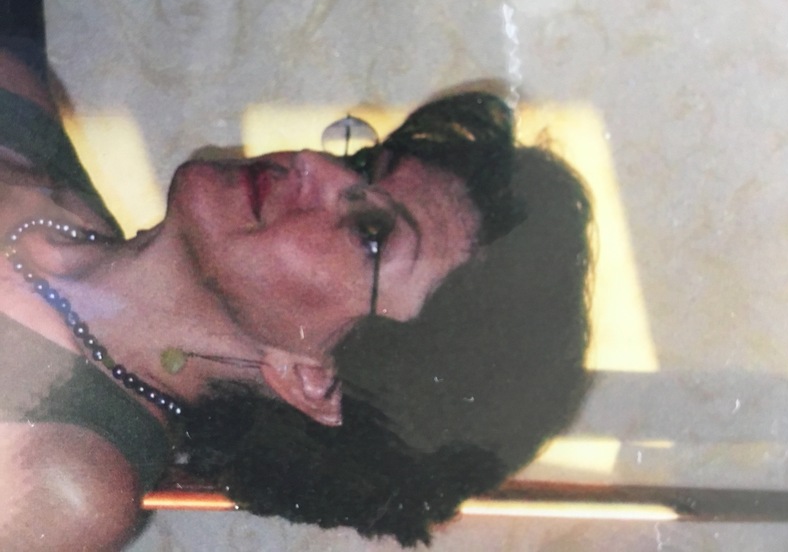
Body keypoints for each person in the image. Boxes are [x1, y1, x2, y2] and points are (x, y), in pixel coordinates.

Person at [0, 41, 592, 549]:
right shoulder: (19, 105)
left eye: (370, 233)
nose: (314, 164)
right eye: (363, 165)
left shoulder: (61, 479)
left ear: (312, 380)